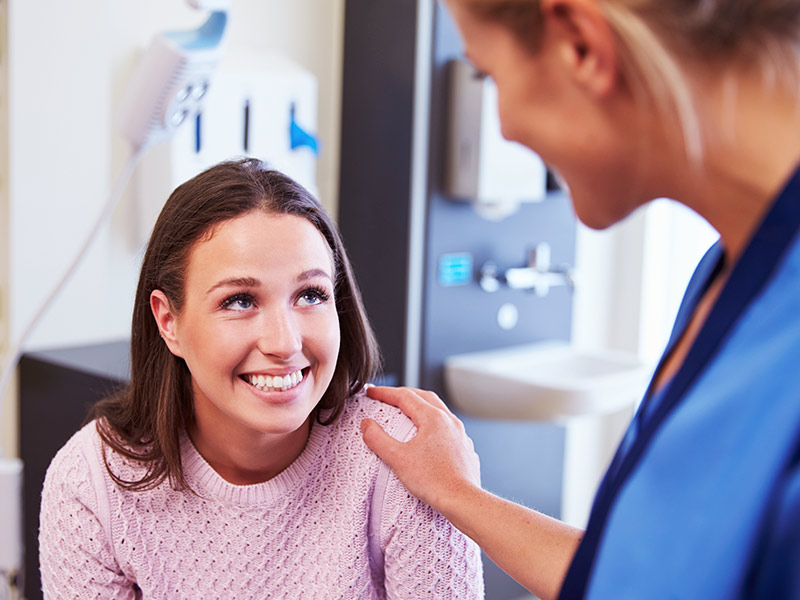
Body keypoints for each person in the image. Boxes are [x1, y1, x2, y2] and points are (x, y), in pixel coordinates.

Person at [360, 0, 800, 598]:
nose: (504, 128)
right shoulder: (724, 276)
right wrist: (458, 494)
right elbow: (642, 576)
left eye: (490, 76)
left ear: (580, 48)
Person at [39, 159, 484, 599]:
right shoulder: (92, 480)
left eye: (311, 295)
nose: (284, 343)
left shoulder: (405, 460)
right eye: (239, 301)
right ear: (168, 320)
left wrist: (460, 497)